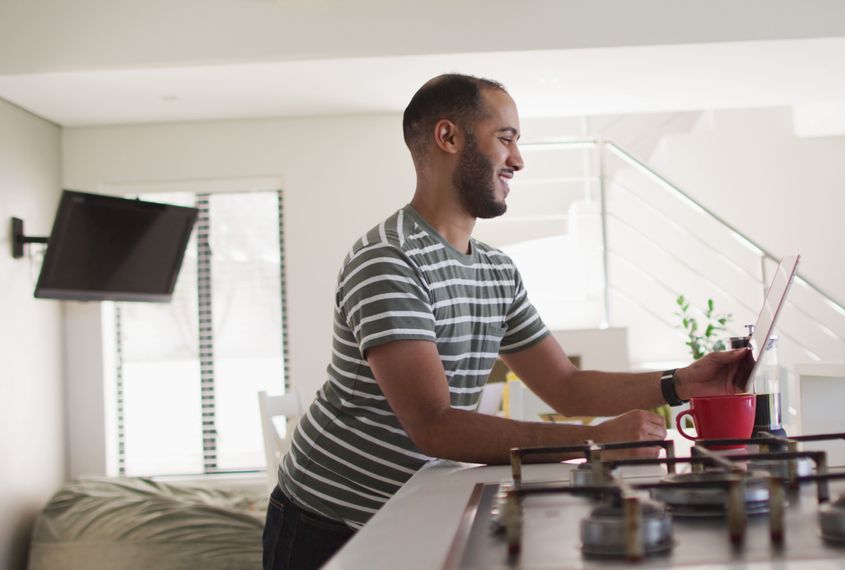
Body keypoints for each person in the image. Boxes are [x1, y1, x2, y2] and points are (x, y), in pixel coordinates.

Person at [262, 73, 753, 570]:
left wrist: (682, 383)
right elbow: (434, 427)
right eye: (506, 139)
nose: (518, 160)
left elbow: (566, 385)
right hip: (326, 521)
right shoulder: (389, 259)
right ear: (448, 137)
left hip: (410, 505)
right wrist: (596, 443)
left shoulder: (496, 269)